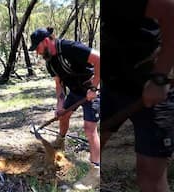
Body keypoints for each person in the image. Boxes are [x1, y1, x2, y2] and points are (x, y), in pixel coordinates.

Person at [101, 0, 174, 191]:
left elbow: (170, 10)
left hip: (148, 82)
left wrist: (160, 77)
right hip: (112, 83)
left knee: (150, 176)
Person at [29, 27, 100, 190]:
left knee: (89, 129)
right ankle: (60, 141)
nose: (37, 52)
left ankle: (95, 171)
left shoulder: (70, 47)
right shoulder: (50, 63)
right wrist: (60, 104)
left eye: (37, 48)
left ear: (46, 41)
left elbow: (99, 59)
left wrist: (94, 88)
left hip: (91, 89)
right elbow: (59, 85)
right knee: (63, 116)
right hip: (75, 92)